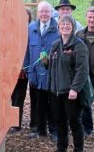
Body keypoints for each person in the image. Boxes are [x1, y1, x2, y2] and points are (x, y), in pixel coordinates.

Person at [44, 15, 89, 152]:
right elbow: (52, 67)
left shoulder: (79, 45)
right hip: (55, 91)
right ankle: (61, 148)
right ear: (58, 27)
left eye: (68, 24)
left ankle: (78, 149)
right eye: (62, 24)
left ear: (73, 27)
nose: (65, 26)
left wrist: (75, 89)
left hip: (71, 93)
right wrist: (46, 62)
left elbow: (82, 70)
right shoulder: (55, 45)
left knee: (75, 123)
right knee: (60, 121)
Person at [24, 1, 59, 140]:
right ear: (37, 13)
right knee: (38, 103)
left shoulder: (57, 28)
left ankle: (54, 131)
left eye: (46, 11)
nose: (44, 14)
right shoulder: (31, 27)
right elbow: (26, 51)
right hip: (35, 74)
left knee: (53, 103)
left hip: (52, 74)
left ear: (51, 13)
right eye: (41, 11)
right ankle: (40, 130)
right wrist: (28, 71)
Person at [10, 8, 32, 132]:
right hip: (13, 70)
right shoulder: (14, 31)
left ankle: (19, 123)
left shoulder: (32, 31)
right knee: (14, 97)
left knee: (20, 97)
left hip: (26, 69)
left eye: (26, 16)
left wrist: (23, 65)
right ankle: (14, 123)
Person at [76, 6, 94, 136]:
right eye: (90, 17)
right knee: (86, 101)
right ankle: (87, 128)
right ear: (86, 18)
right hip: (84, 74)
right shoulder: (79, 34)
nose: (92, 19)